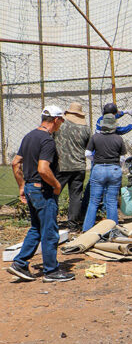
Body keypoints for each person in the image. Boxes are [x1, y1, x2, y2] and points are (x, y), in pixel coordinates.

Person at [7, 106, 75, 283]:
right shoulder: (47, 141)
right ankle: (51, 270)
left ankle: (20, 263)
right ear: (55, 120)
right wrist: (57, 184)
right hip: (42, 190)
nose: (62, 123)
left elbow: (15, 163)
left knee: (36, 228)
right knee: (50, 231)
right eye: (61, 120)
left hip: (30, 188)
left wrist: (22, 186)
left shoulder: (29, 136)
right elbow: (43, 169)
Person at [82, 111, 127, 232]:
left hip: (99, 169)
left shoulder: (95, 137)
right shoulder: (119, 139)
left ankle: (87, 230)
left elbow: (87, 154)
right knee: (111, 201)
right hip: (114, 169)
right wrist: (118, 166)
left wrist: (96, 160)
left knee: (94, 201)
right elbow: (122, 158)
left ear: (103, 125)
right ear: (114, 126)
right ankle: (113, 230)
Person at [53, 102, 91, 231]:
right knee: (75, 196)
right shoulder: (86, 129)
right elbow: (88, 148)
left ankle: (51, 222)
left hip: (61, 166)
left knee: (53, 194)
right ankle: (73, 225)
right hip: (79, 166)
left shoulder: (60, 125)